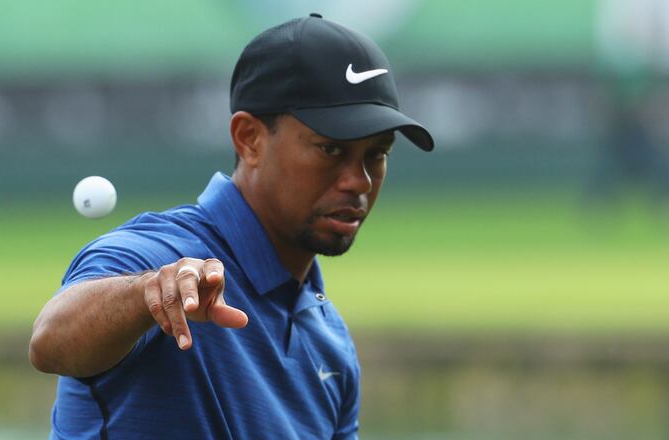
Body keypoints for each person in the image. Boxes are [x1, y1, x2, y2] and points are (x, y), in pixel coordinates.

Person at [29, 13, 434, 440]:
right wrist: (145, 295)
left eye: (377, 154)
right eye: (331, 148)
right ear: (249, 139)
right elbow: (51, 341)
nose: (359, 181)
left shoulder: (330, 340)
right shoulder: (160, 258)